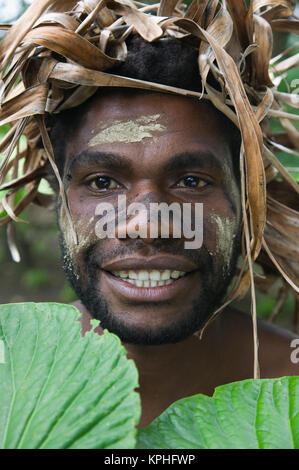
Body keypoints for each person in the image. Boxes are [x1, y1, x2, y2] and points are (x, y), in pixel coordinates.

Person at [0, 1, 298, 428]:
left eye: (192, 181)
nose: (148, 224)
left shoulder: (292, 389)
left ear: (247, 194)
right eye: (103, 183)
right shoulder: (6, 384)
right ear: (61, 196)